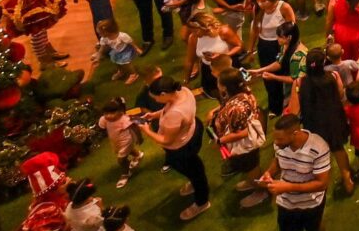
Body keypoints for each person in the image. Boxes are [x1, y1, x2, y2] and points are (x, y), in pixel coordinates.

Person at [263, 113, 331, 231]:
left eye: (280, 139)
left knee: (314, 228)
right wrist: (269, 172)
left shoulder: (318, 147)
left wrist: (287, 187)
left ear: (294, 134)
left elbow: (321, 184)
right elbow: (278, 161)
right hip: (286, 202)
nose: (276, 143)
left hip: (311, 203)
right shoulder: (280, 145)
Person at [140, 75, 210, 221]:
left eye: (156, 98)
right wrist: (155, 115)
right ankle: (194, 181)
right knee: (194, 168)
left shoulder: (175, 114)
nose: (155, 100)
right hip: (193, 130)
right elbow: (168, 108)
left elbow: (166, 140)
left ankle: (201, 202)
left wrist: (148, 131)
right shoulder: (183, 91)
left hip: (182, 147)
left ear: (164, 94)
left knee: (194, 172)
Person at [290, 48, 354, 195]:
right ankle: (347, 179)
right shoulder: (333, 75)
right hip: (334, 119)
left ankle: (319, 182)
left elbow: (294, 109)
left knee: (317, 153)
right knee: (338, 148)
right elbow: (340, 93)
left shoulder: (300, 82)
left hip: (313, 123)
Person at [210, 70, 268, 208]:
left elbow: (242, 133)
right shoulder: (244, 92)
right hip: (243, 142)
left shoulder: (237, 108)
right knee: (250, 167)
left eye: (219, 82)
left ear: (224, 86)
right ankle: (252, 182)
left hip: (244, 145)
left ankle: (261, 191)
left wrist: (221, 140)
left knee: (251, 167)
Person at [184, 11, 244, 98]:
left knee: (236, 93)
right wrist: (186, 80)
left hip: (228, 67)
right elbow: (190, 61)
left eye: (196, 30)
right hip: (209, 71)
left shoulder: (223, 31)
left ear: (205, 27)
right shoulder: (193, 38)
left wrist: (222, 56)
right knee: (218, 95)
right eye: (191, 30)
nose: (194, 33)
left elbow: (239, 45)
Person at [97, 97, 144, 189]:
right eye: (106, 113)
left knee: (121, 160)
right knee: (128, 151)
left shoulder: (124, 119)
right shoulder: (104, 119)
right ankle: (138, 155)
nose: (108, 116)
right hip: (115, 141)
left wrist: (139, 138)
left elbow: (134, 127)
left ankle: (125, 174)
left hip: (126, 141)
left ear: (120, 111)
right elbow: (101, 127)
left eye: (112, 113)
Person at [96, 19, 139, 83]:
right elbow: (102, 47)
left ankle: (133, 74)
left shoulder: (122, 36)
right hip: (116, 51)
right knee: (116, 62)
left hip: (125, 51)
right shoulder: (104, 39)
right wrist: (98, 56)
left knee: (127, 64)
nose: (99, 35)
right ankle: (121, 71)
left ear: (108, 32)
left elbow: (131, 42)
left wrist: (137, 49)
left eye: (100, 33)